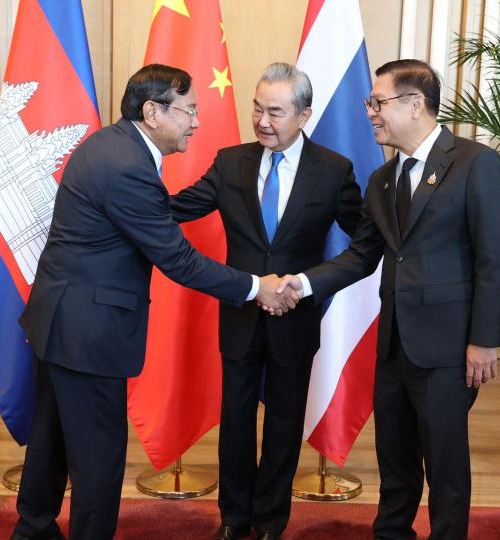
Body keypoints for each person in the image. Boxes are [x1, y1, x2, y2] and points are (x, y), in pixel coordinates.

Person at [13, 64, 293, 540]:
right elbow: (179, 260)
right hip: (87, 330)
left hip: (61, 318)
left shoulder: (112, 145)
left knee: (53, 439)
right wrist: (255, 287)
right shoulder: (126, 166)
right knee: (98, 456)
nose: (196, 122)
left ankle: (33, 529)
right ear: (152, 111)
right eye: (189, 111)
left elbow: (155, 228)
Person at [276, 59, 500, 539]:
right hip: (394, 345)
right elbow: (361, 257)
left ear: (415, 103)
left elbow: (494, 259)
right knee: (395, 458)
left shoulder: (474, 164)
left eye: (378, 102)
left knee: (444, 462)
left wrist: (485, 340)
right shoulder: (383, 181)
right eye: (370, 103)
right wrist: (301, 284)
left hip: (448, 348)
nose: (370, 113)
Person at [169, 62, 362, 540]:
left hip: (295, 319)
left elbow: (365, 241)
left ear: (304, 115)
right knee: (234, 422)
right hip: (240, 316)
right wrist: (118, 193)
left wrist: (306, 283)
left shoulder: (334, 171)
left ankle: (272, 521)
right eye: (257, 108)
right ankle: (234, 519)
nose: (262, 121)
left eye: (274, 112)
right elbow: (176, 208)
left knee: (283, 423)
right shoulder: (230, 161)